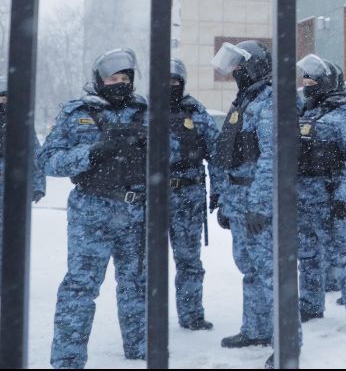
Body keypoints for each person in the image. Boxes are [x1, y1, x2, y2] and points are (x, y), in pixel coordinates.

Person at [40, 49, 148, 368]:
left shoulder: (145, 111)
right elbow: (48, 160)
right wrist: (93, 153)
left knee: (137, 283)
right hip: (91, 212)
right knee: (81, 286)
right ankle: (68, 358)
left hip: (135, 211)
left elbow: (170, 157)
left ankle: (140, 346)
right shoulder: (77, 112)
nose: (120, 83)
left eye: (125, 78)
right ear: (99, 80)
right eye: (113, 78)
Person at [211, 40, 284, 351]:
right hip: (239, 201)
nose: (236, 72)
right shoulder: (245, 101)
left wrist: (260, 205)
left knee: (272, 274)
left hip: (260, 203)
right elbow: (228, 156)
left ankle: (285, 344)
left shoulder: (270, 102)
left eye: (241, 66)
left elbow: (273, 157)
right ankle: (256, 330)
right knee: (250, 270)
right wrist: (226, 202)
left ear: (255, 66)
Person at [295, 54, 346, 335]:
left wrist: (345, 196)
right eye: (304, 80)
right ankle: (310, 305)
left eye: (312, 80)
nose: (306, 84)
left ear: (327, 82)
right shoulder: (307, 112)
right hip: (303, 200)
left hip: (332, 200)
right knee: (308, 256)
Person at [168, 57, 222, 331]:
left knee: (189, 260)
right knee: (141, 263)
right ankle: (143, 320)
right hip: (148, 198)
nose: (170, 86)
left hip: (188, 195)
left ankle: (191, 315)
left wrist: (218, 190)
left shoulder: (195, 112)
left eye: (174, 81)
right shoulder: (141, 111)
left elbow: (217, 154)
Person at [0, 76, 46, 269]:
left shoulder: (22, 125)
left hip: (13, 187)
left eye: (7, 98)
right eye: (1, 98)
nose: (4, 102)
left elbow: (35, 155)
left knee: (9, 233)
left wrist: (38, 185)